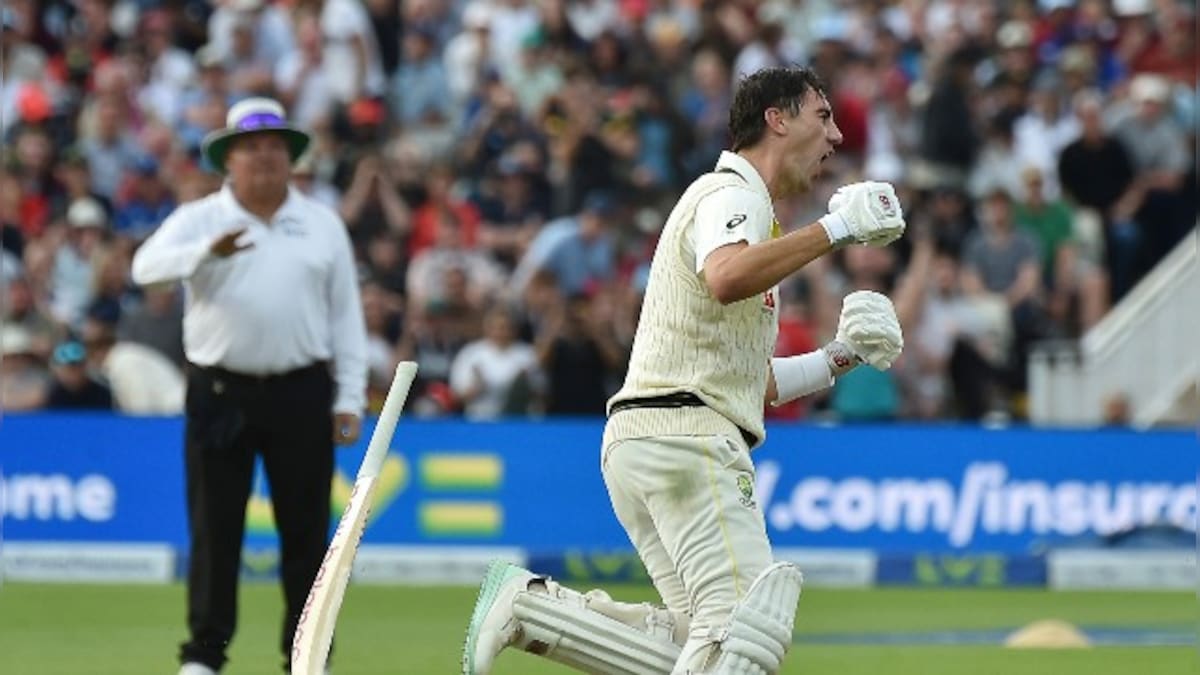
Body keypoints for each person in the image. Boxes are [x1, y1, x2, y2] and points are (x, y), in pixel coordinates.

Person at [463, 67, 906, 675]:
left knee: (692, 645)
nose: (835, 137)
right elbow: (727, 277)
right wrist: (836, 230)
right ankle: (531, 610)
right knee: (745, 635)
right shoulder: (734, 193)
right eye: (822, 117)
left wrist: (841, 354)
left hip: (651, 438)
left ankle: (537, 612)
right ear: (776, 119)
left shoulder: (746, 213)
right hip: (688, 440)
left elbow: (750, 382)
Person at [131, 97, 367, 675]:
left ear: (290, 160)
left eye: (274, 148)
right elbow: (144, 269)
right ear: (227, 159)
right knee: (216, 530)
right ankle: (204, 656)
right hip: (219, 392)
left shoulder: (321, 222)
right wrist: (202, 255)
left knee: (307, 536)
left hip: (301, 391)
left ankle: (306, 656)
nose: (263, 158)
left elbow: (346, 317)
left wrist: (350, 396)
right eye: (250, 148)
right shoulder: (200, 219)